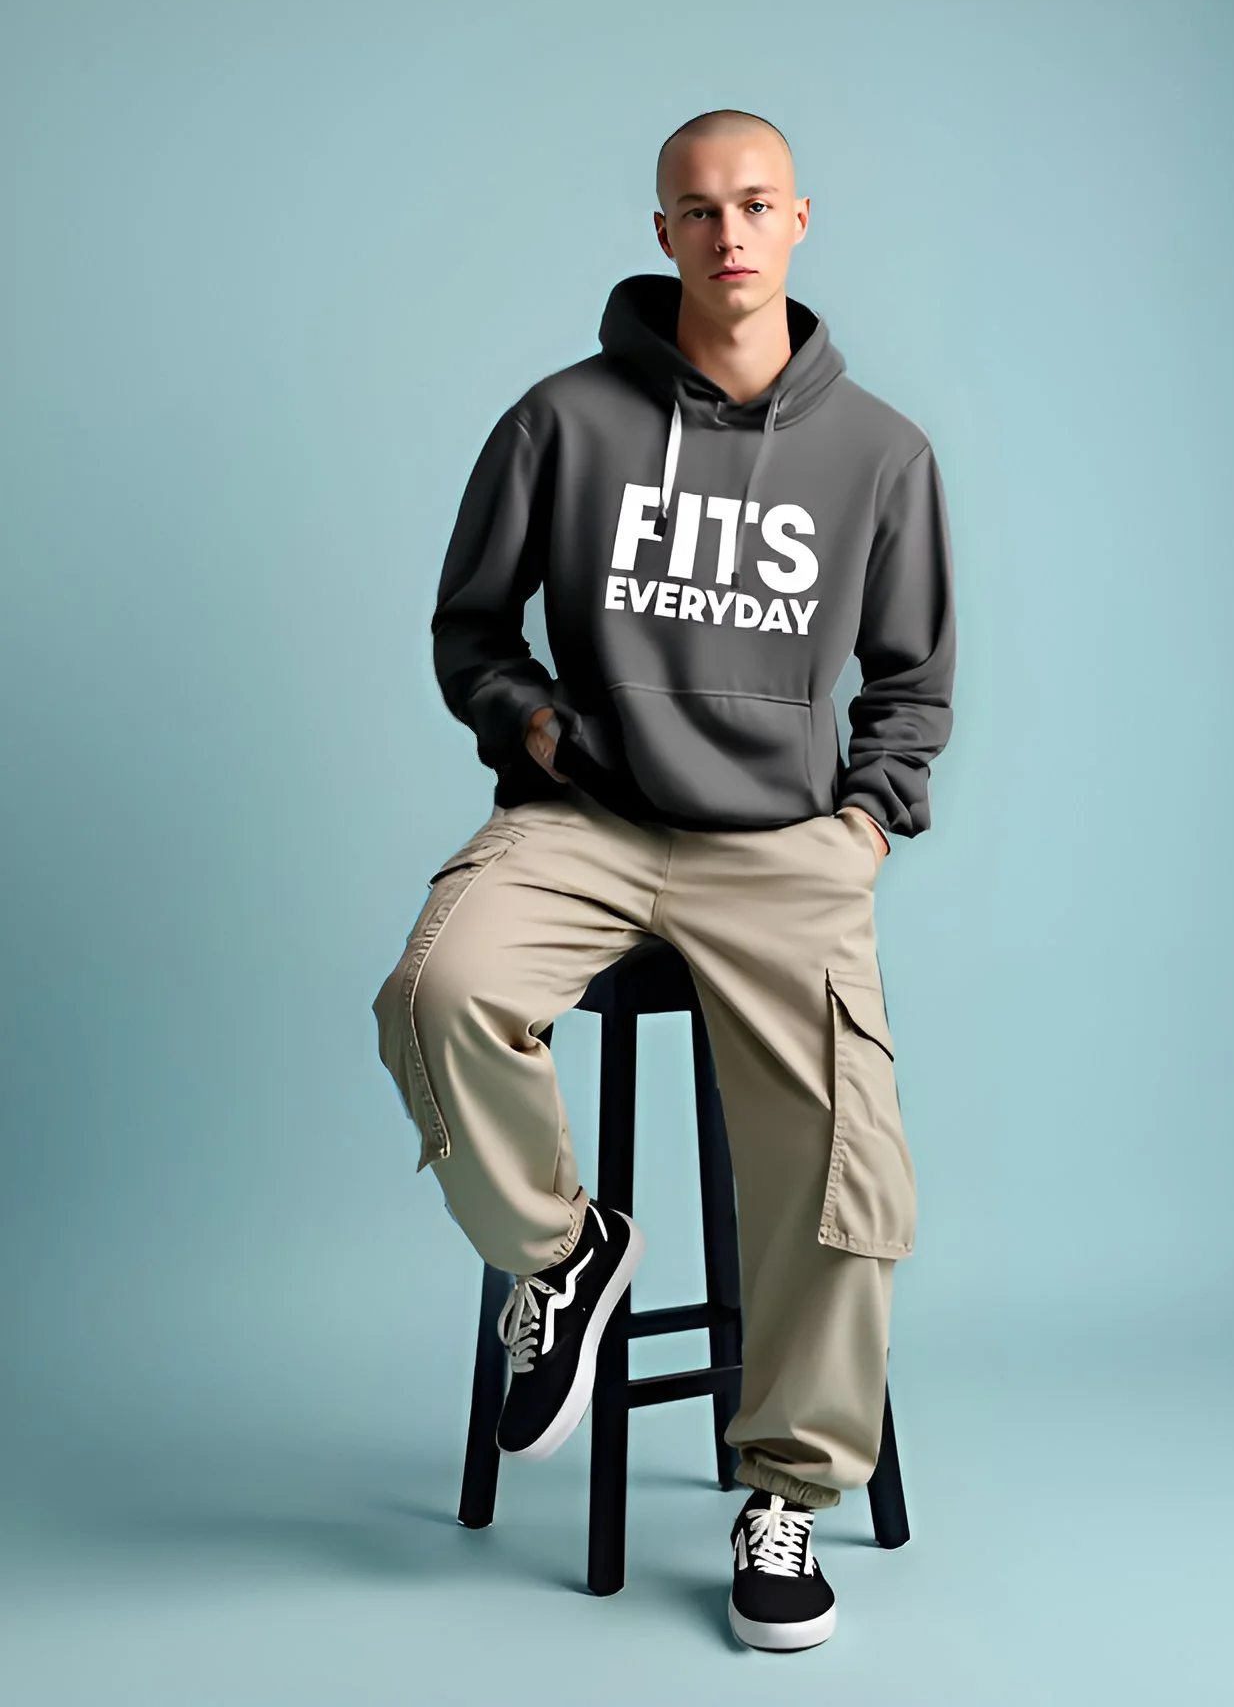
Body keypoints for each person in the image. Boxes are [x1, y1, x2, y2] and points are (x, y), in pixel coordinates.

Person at [372, 107, 956, 1653]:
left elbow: (911, 683)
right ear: (662, 234)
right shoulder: (562, 422)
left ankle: (786, 1493)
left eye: (754, 205)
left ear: (800, 220)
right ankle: (566, 1254)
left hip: (779, 851)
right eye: (696, 211)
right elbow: (470, 632)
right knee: (437, 989)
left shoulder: (881, 453)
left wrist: (866, 823)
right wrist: (540, 726)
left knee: (845, 1166)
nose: (727, 235)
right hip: (590, 826)